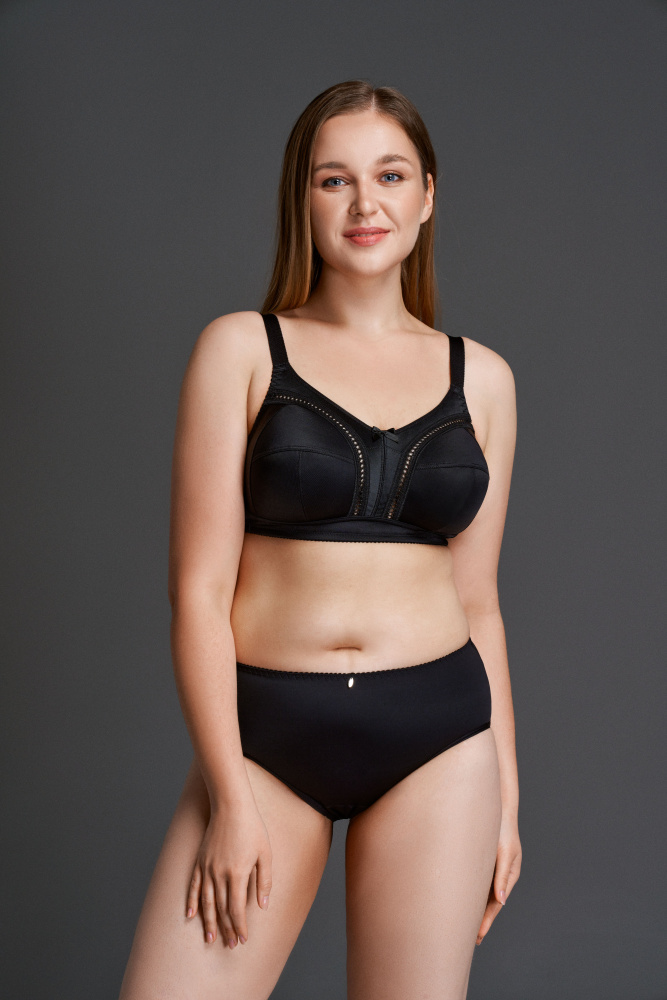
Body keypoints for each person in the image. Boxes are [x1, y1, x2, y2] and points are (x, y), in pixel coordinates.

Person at [118, 79, 521, 1000]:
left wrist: (506, 794)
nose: (364, 203)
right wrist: (228, 795)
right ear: (301, 198)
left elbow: (480, 603)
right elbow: (196, 594)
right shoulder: (240, 349)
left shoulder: (485, 381)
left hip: (439, 743)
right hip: (265, 743)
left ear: (428, 194)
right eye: (333, 179)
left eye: (390, 175)